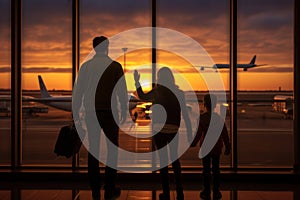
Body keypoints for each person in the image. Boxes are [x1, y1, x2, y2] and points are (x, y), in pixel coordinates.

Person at [73, 36, 128, 200]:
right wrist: (124, 109)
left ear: (94, 48)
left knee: (94, 150)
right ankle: (110, 186)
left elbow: (79, 91)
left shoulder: (86, 67)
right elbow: (121, 91)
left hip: (91, 112)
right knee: (112, 151)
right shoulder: (115, 66)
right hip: (110, 112)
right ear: (108, 47)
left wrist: (75, 111)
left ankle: (94, 186)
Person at [134, 67, 192, 200]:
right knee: (175, 160)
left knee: (163, 162)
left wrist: (137, 82)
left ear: (159, 78)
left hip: (159, 129)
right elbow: (185, 113)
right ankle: (180, 191)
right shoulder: (179, 93)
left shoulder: (156, 92)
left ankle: (166, 192)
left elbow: (142, 96)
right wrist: (188, 130)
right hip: (173, 129)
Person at [191, 94, 231, 200]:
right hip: (217, 147)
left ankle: (206, 190)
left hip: (205, 148)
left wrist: (193, 143)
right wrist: (228, 146)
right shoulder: (219, 118)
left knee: (206, 170)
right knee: (216, 169)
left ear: (204, 105)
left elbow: (199, 134)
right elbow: (224, 133)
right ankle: (217, 191)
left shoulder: (202, 119)